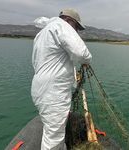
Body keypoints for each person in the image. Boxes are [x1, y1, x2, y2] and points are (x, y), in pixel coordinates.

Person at [31, 8, 92, 150]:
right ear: (70, 21)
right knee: (54, 137)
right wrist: (86, 61)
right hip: (53, 93)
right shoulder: (61, 25)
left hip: (41, 89)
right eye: (76, 27)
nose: (75, 31)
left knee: (53, 131)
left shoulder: (42, 33)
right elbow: (81, 52)